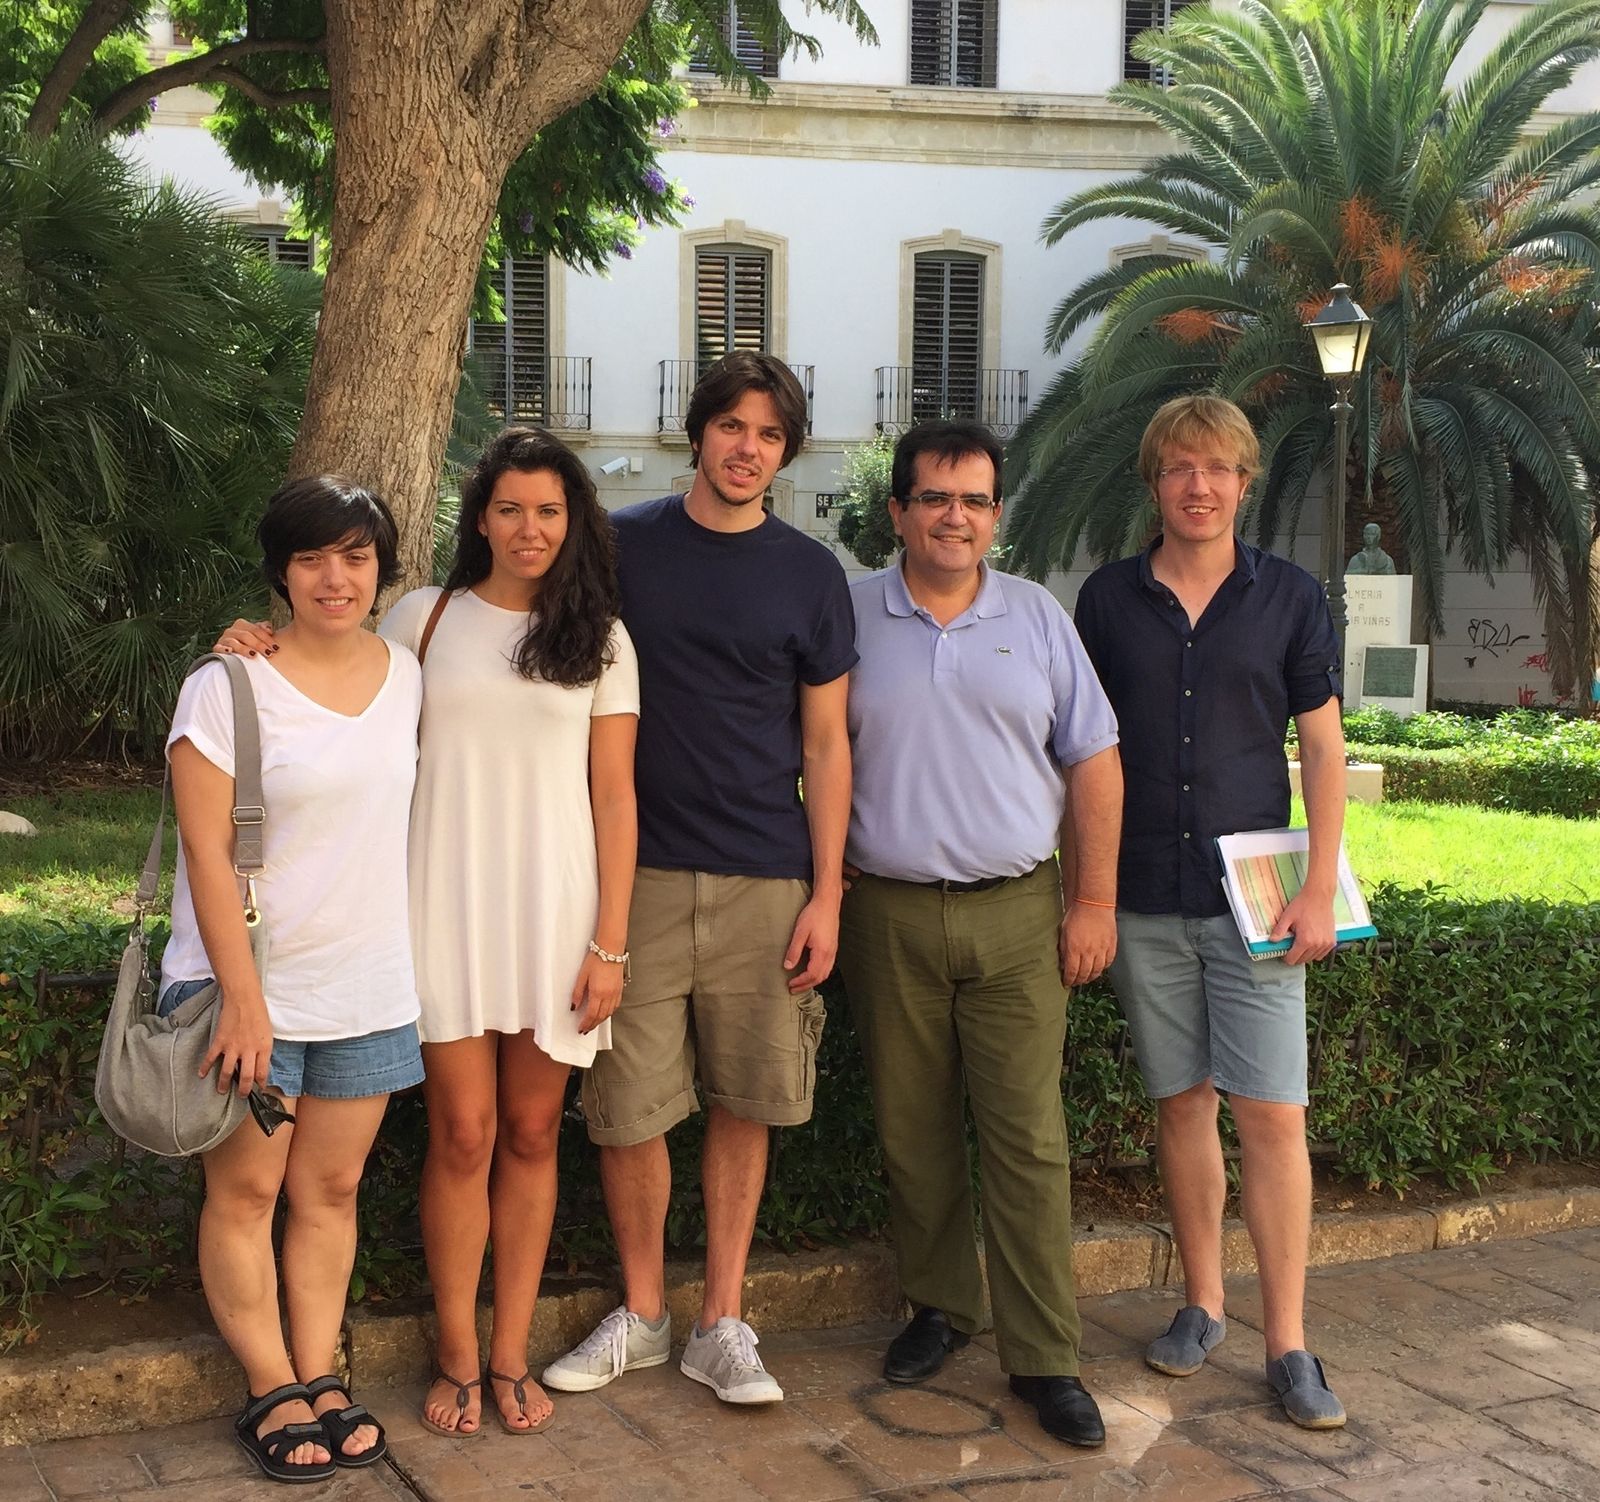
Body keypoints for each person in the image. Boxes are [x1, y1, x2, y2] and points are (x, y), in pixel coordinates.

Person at [215, 428, 639, 1439]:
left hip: (558, 917)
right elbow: (331, 684)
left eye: (549, 510)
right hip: (438, 909)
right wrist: (247, 645)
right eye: (509, 508)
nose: (529, 528)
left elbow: (616, 797)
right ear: (479, 516)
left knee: (532, 1133)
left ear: (573, 519)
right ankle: (455, 1349)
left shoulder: (604, 639)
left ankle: (509, 1352)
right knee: (463, 1133)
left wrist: (610, 943)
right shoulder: (423, 617)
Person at [542, 351, 855, 1406]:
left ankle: (722, 1320)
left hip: (766, 876)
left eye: (768, 434)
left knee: (745, 1098)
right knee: (627, 1108)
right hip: (631, 878)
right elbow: (516, 622)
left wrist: (827, 893)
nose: (746, 448)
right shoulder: (620, 547)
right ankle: (642, 1313)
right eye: (731, 426)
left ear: (786, 451)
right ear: (698, 432)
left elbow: (827, 742)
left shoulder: (810, 574)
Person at [836, 420, 1121, 1449]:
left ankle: (1046, 1354)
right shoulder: (850, 614)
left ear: (995, 515)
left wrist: (1093, 903)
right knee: (910, 1127)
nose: (954, 517)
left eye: (974, 500)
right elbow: (807, 749)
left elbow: (1094, 760)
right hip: (887, 910)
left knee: (1027, 1138)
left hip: (1017, 911)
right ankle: (941, 1306)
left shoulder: (1037, 616)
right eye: (934, 497)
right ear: (899, 510)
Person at [1072, 394, 1348, 1430]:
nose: (1199, 485)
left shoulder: (1290, 599)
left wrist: (1320, 885)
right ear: (1155, 482)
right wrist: (1084, 891)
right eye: (1180, 467)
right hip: (1145, 892)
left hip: (1257, 903)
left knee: (1272, 1114)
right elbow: (1083, 752)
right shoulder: (1107, 600)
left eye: (1218, 467)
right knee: (1181, 1102)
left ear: (1244, 482)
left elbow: (1322, 745)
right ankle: (1202, 1303)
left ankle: (1289, 1341)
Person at [163, 476, 424, 1483]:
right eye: (312, 557)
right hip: (252, 991)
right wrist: (242, 1000)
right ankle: (270, 1386)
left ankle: (320, 1374)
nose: (335, 577)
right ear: (281, 571)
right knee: (247, 1190)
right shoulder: (226, 685)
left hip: (367, 985)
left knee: (330, 1188)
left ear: (380, 567)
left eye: (355, 555)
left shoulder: (406, 674)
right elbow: (205, 850)